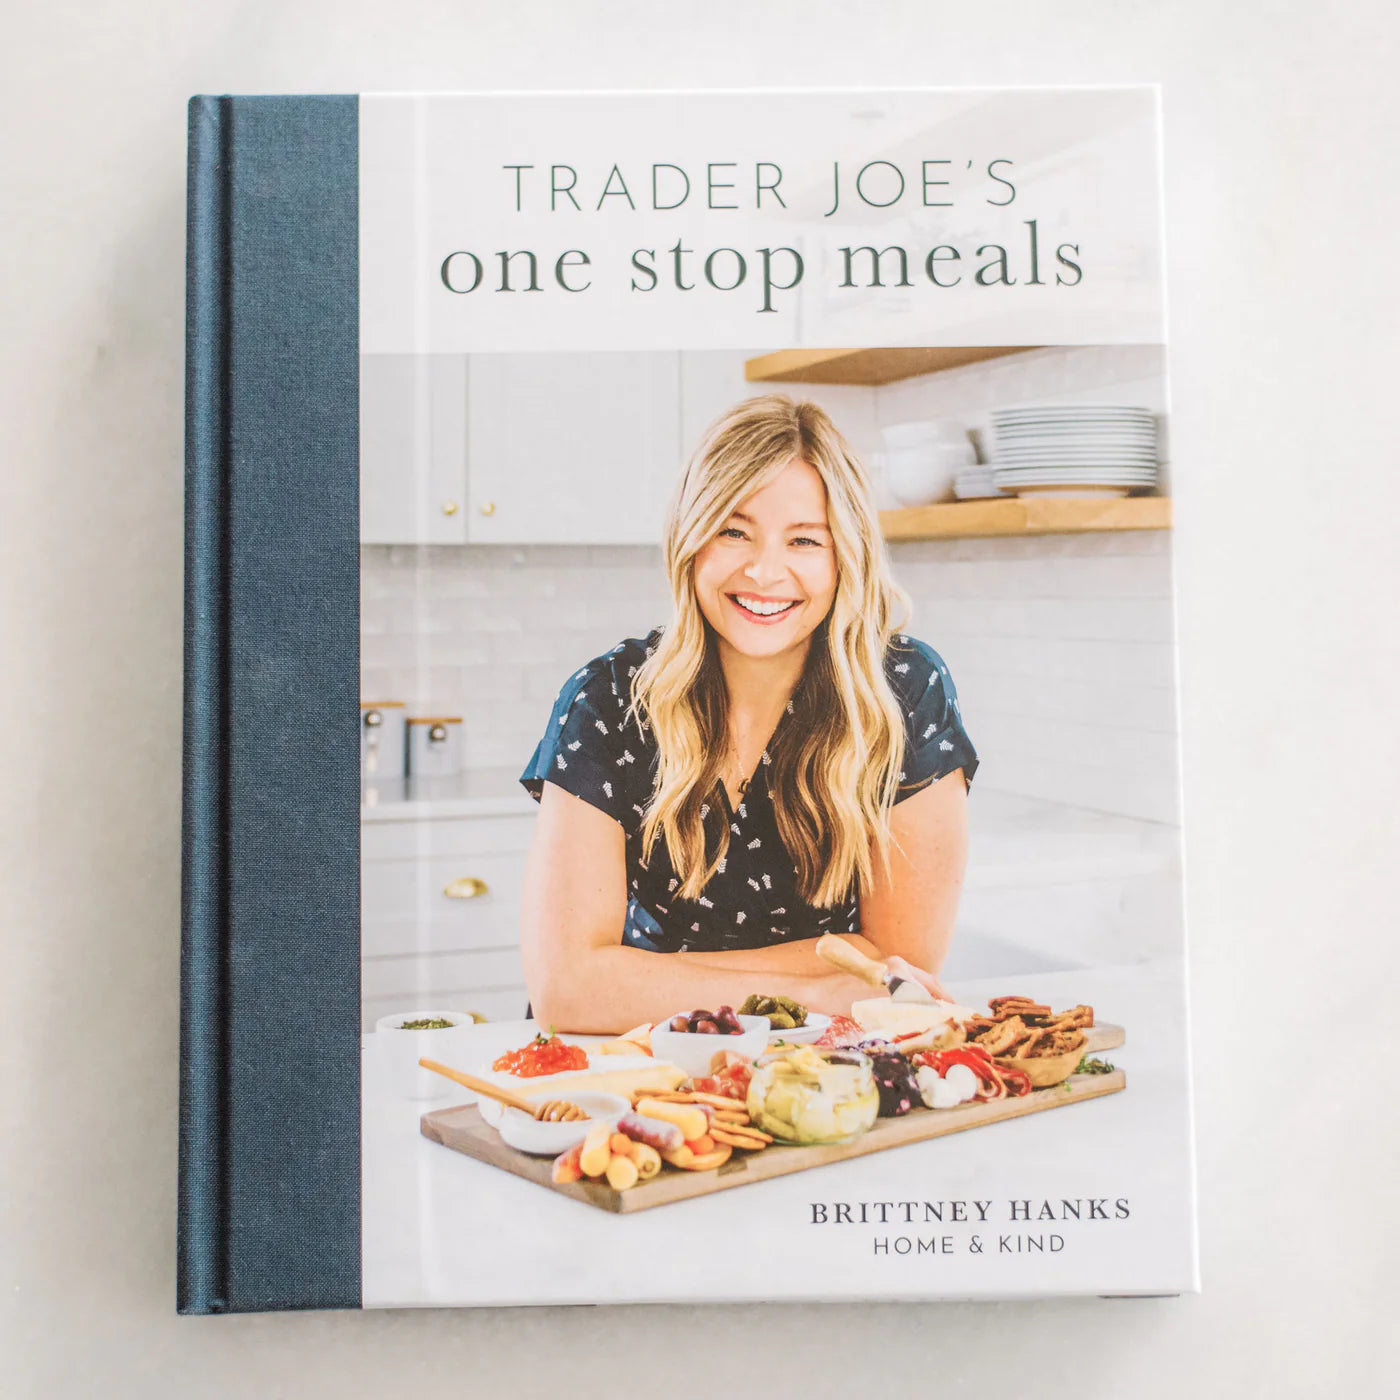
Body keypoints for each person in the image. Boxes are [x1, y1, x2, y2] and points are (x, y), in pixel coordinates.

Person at [519, 395, 977, 1033]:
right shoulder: (609, 697)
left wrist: (639, 977)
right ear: (691, 539)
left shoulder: (902, 692)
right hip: (635, 1068)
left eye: (804, 540)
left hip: (818, 1075)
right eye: (734, 531)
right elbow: (568, 991)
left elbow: (899, 960)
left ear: (846, 554)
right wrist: (818, 990)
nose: (765, 571)